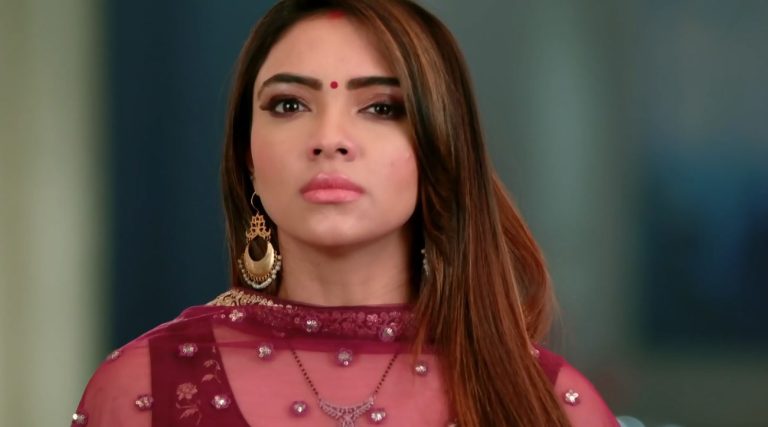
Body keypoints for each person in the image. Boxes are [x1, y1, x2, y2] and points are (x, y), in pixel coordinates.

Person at [72, 0, 618, 425]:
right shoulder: (146, 388)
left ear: (441, 150)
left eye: (380, 108)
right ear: (247, 155)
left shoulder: (547, 404)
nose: (329, 138)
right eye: (289, 105)